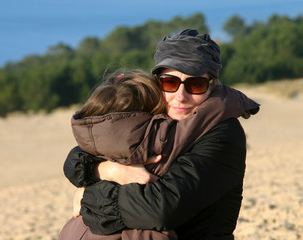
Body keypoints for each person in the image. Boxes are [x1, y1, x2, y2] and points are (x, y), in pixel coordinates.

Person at [60, 29, 260, 240]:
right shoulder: (155, 116)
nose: (180, 97)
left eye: (196, 85)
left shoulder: (223, 134)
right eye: (170, 83)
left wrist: (88, 198)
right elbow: (81, 155)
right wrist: (107, 169)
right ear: (156, 81)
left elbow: (162, 207)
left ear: (212, 86)